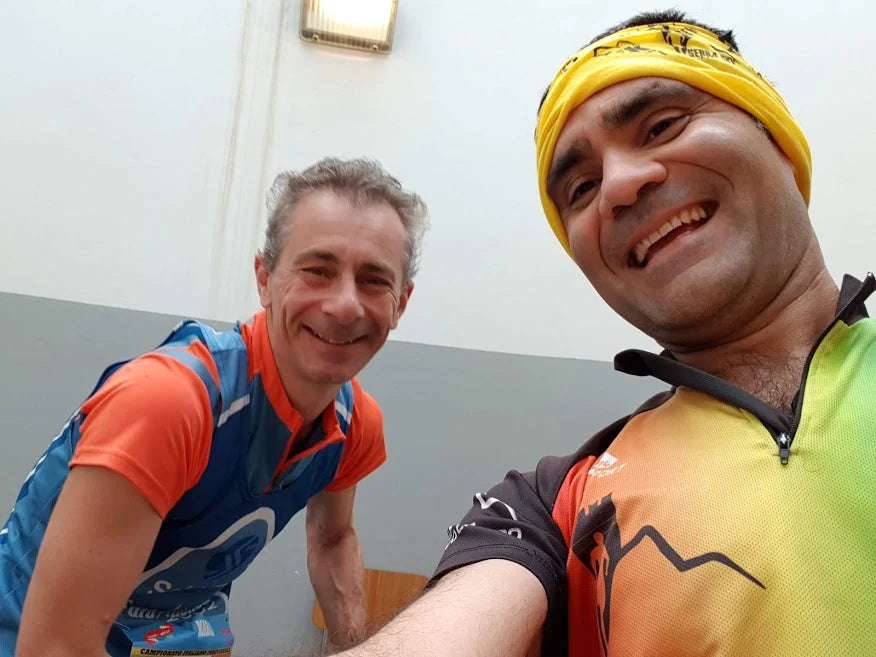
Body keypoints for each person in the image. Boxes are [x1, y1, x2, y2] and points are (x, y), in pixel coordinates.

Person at [334, 10, 876, 657]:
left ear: (778, 137)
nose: (618, 185)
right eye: (581, 187)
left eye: (663, 125)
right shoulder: (556, 504)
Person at [0, 157, 428, 657]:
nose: (345, 305)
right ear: (264, 278)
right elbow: (55, 646)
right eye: (318, 270)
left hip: (167, 635)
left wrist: (354, 649)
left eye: (373, 280)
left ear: (401, 303)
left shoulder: (355, 423)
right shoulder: (168, 403)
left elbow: (333, 540)